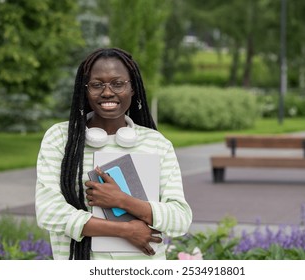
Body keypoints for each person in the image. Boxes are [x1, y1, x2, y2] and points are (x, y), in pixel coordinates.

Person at [35, 47, 192, 260]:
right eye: (97, 85)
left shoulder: (157, 144)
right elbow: (48, 212)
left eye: (118, 84)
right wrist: (125, 230)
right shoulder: (61, 139)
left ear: (133, 88)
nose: (107, 92)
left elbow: (180, 218)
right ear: (85, 90)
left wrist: (122, 201)